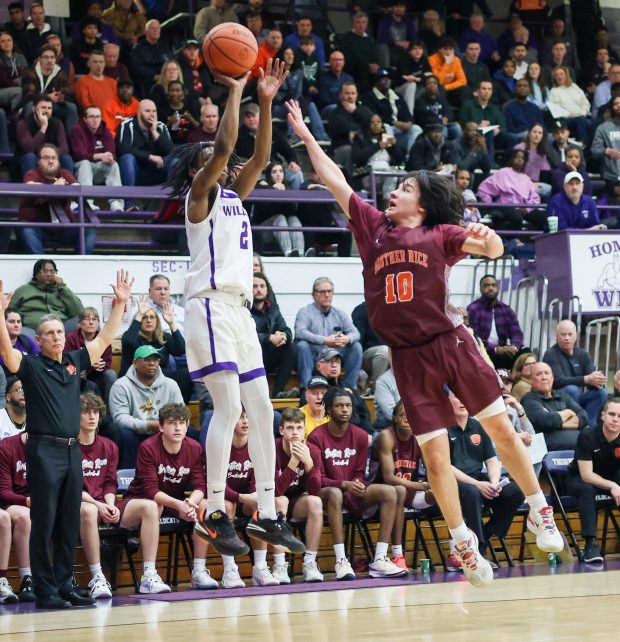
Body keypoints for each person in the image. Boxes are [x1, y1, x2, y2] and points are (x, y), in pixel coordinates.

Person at [285, 99, 563, 587]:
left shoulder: (441, 233)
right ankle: (463, 545)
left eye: (406, 188)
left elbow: (492, 249)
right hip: (408, 357)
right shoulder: (373, 228)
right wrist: (308, 139)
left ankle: (540, 510)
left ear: (424, 203)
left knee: (499, 428)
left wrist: (488, 235)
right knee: (436, 457)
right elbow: (336, 181)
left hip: (450, 341)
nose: (395, 193)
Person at [161, 59, 304, 557]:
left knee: (262, 410)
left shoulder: (234, 199)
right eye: (217, 160)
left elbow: (260, 157)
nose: (229, 162)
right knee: (230, 407)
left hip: (240, 312)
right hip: (208, 307)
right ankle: (215, 510)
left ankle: (266, 514)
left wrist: (263, 102)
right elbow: (223, 148)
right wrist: (236, 90)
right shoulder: (199, 198)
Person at [0, 269, 133, 609]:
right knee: (44, 522)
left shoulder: (74, 361)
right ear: (40, 340)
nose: (57, 337)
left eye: (60, 331)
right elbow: (6, 351)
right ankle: (45, 591)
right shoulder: (29, 366)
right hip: (43, 450)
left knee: (68, 520)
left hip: (74, 451)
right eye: (49, 333)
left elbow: (103, 340)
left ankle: (65, 584)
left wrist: (119, 303)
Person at [78, 392, 171, 597]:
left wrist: (110, 503)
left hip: (105, 503)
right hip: (80, 505)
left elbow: (110, 482)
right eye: (86, 412)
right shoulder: (70, 447)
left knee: (149, 506)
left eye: (95, 412)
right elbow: (73, 488)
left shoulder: (109, 446)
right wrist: (99, 505)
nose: (92, 416)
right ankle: (97, 577)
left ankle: (149, 575)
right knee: (89, 510)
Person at [308, 387, 407, 578]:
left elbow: (360, 472)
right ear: (328, 409)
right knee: (335, 493)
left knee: (390, 492)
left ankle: (379, 558)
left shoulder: (361, 436)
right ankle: (341, 560)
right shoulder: (316, 437)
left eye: (348, 406)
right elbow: (317, 480)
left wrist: (358, 483)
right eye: (339, 406)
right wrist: (345, 484)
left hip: (350, 489)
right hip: (326, 492)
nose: (345, 409)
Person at [124, 402, 218, 590]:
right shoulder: (148, 447)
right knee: (153, 505)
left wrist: (190, 503)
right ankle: (148, 576)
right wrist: (179, 506)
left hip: (174, 504)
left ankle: (199, 571)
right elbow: (151, 490)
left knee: (205, 505)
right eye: (172, 423)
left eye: (182, 423)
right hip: (141, 501)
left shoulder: (194, 448)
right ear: (161, 427)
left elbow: (200, 485)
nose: (178, 428)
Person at [447, 392, 525, 565]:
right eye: (457, 397)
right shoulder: (442, 429)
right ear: (448, 401)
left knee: (515, 492)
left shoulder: (478, 426)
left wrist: (494, 482)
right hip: (452, 484)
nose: (463, 401)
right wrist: (478, 484)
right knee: (472, 491)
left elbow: (491, 460)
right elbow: (445, 466)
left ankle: (484, 534)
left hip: (478, 480)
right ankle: (478, 551)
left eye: (465, 397)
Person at [222, 411, 289, 587]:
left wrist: (252, 497)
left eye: (248, 416)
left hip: (248, 499)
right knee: (226, 506)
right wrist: (240, 497)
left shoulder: (260, 445)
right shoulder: (220, 444)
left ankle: (260, 567)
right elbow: (214, 484)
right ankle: (229, 569)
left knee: (264, 503)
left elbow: (261, 480)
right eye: (240, 416)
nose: (245, 421)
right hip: (226, 498)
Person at [108, 345, 184, 468]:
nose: (152, 363)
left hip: (163, 430)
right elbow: (120, 418)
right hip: (135, 432)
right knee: (123, 434)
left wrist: (168, 425)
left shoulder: (171, 385)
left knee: (189, 431)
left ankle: (181, 475)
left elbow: (182, 413)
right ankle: (127, 478)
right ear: (134, 363)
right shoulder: (121, 385)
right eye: (146, 360)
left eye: (155, 360)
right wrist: (147, 425)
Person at [566, 397, 620, 563]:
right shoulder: (587, 435)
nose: (616, 419)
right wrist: (612, 485)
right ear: (603, 415)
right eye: (612, 414)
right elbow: (586, 475)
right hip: (579, 480)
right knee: (587, 489)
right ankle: (590, 545)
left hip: (610, 477)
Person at [18, 143, 97, 255]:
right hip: (38, 226)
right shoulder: (32, 173)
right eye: (46, 158)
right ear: (39, 161)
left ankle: (79, 266)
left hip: (64, 228)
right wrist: (54, 187)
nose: (50, 161)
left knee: (88, 231)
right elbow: (30, 186)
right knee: (26, 230)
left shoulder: (64, 173)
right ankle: (43, 268)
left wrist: (66, 187)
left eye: (54, 158)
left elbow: (77, 188)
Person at [275, 408, 324, 582]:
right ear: (282, 430)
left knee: (316, 503)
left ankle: (310, 562)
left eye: (299, 427)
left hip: (296, 501)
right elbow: (276, 491)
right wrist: (293, 462)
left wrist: (309, 464)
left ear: (305, 430)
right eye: (289, 428)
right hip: (273, 502)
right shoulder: (272, 449)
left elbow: (315, 491)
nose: (295, 432)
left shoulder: (313, 451)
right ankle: (280, 565)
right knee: (280, 501)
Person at [371, 398, 434, 524]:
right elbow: (389, 478)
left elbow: (431, 469)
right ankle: (396, 545)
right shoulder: (386, 436)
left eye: (411, 415)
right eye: (402, 415)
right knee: (399, 490)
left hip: (409, 490)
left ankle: (456, 542)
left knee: (450, 491)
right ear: (395, 418)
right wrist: (422, 486)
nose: (407, 419)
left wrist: (434, 486)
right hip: (382, 491)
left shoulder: (419, 436)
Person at [294, 277, 363, 391]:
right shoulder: (305, 312)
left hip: (334, 355)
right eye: (322, 292)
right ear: (314, 295)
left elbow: (356, 333)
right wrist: (324, 340)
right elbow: (300, 332)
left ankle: (349, 388)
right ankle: (306, 388)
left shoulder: (340, 313)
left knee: (356, 346)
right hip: (314, 356)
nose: (327, 295)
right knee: (302, 345)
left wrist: (347, 338)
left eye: (329, 291)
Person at [542, 320, 608, 428]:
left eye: (570, 334)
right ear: (557, 337)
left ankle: (589, 427)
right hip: (557, 399)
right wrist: (586, 379)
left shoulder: (583, 354)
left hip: (578, 397)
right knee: (572, 389)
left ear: (575, 336)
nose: (567, 338)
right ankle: (575, 424)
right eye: (563, 335)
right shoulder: (551, 354)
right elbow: (558, 381)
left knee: (601, 393)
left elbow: (591, 383)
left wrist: (597, 380)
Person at [521, 362, 589, 450]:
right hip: (550, 454)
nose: (544, 377)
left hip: (578, 449)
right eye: (539, 374)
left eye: (547, 373)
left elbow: (583, 416)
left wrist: (556, 421)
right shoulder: (529, 400)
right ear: (531, 380)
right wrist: (569, 412)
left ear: (552, 378)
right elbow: (546, 421)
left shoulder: (562, 395)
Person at [70, 104, 124, 213]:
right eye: (92, 117)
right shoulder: (77, 130)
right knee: (85, 162)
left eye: (98, 116)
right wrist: (100, 156)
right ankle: (88, 201)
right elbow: (79, 154)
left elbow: (111, 152)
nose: (96, 120)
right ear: (85, 119)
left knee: (113, 164)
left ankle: (116, 203)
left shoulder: (105, 131)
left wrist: (109, 157)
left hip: (97, 169)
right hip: (79, 170)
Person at [250, 272, 295, 398]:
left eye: (262, 286)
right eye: (254, 286)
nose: (259, 290)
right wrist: (269, 338)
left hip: (268, 358)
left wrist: (284, 335)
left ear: (267, 289)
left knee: (290, 347)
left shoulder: (273, 308)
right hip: (250, 358)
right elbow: (244, 336)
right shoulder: (243, 310)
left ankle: (278, 393)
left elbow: (285, 328)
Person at [467, 274, 526, 369]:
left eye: (493, 285)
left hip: (504, 350)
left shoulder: (506, 309)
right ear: (480, 289)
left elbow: (517, 333)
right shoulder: (473, 309)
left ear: (498, 288)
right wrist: (495, 348)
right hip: (484, 351)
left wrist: (514, 346)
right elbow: (474, 337)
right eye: (486, 285)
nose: (491, 288)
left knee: (526, 352)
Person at [8, 260, 83, 331]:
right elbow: (9, 311)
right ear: (36, 274)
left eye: (52, 271)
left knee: (83, 322)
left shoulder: (61, 290)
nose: (49, 274)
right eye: (45, 271)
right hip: (32, 328)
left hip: (60, 326)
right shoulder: (23, 290)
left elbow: (79, 311)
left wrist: (62, 286)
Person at [591, 95, 620, 192]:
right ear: (612, 107)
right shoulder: (603, 128)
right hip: (611, 177)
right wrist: (606, 151)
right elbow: (594, 151)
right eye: (616, 104)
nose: (619, 106)